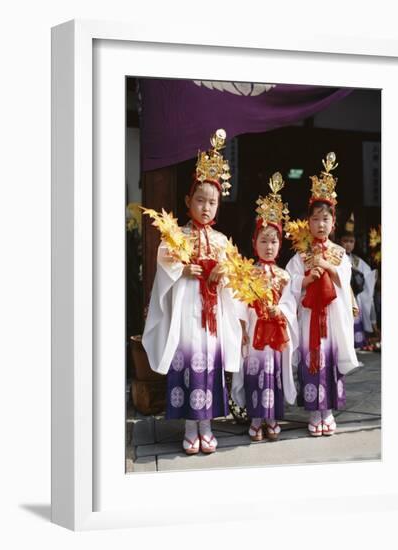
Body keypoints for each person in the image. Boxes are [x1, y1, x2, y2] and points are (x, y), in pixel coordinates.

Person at [142, 129, 243, 455]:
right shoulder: (177, 236)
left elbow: (234, 278)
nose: (206, 207)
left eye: (212, 202)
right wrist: (182, 269)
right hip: (187, 312)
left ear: (218, 206)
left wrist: (223, 273)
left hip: (212, 315)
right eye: (200, 200)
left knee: (209, 363)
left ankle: (207, 425)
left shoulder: (222, 241)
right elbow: (163, 267)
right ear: (188, 201)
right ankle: (189, 425)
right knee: (187, 362)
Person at [286, 153, 359, 437]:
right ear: (308, 222)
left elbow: (345, 279)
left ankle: (327, 411)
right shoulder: (301, 255)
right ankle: (314, 413)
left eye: (325, 219)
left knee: (328, 363)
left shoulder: (340, 253)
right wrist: (305, 280)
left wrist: (327, 265)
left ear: (333, 222)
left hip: (331, 319)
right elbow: (290, 282)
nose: (320, 224)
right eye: (315, 219)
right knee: (312, 361)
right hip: (309, 319)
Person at [231, 173, 298, 442]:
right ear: (254, 243)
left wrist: (280, 310)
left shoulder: (284, 275)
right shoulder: (248, 272)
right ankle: (256, 418)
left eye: (274, 241)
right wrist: (244, 325)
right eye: (264, 241)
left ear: (280, 245)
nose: (269, 246)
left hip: (276, 332)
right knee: (255, 373)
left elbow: (291, 303)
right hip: (256, 331)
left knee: (274, 375)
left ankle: (272, 418)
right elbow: (238, 303)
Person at [339, 215, 378, 351]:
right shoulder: (335, 256)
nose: (348, 244)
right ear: (340, 241)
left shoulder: (356, 260)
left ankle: (356, 344)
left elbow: (368, 274)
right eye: (345, 241)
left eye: (351, 241)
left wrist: (374, 275)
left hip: (353, 296)